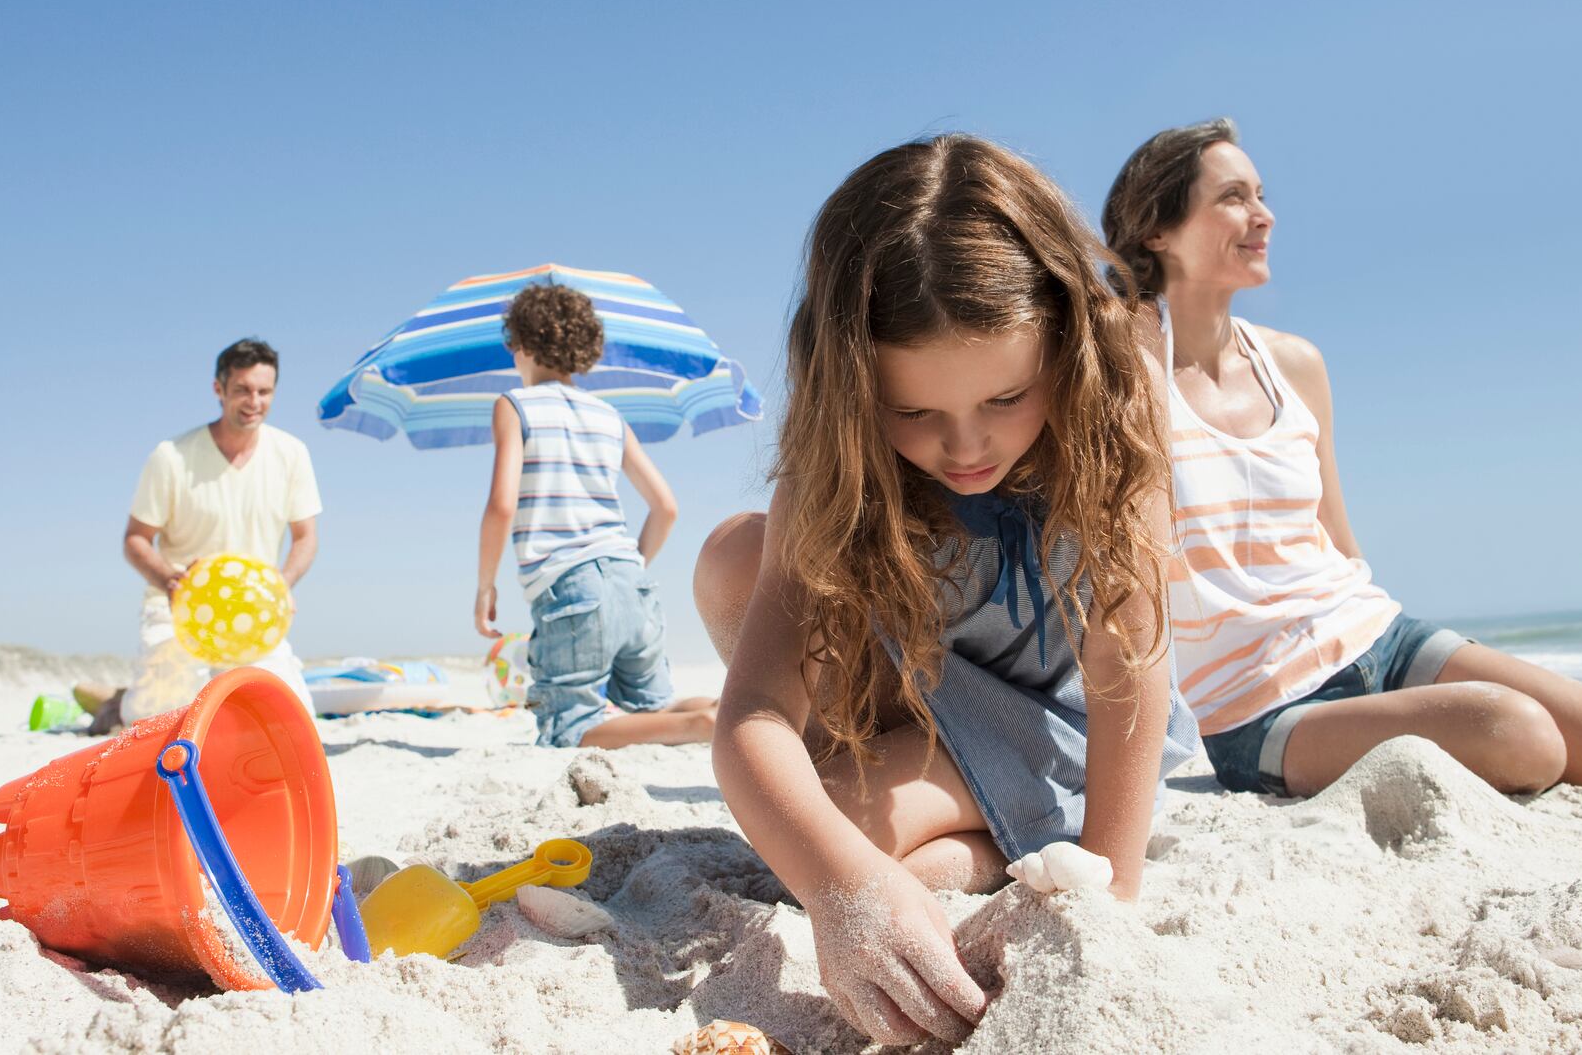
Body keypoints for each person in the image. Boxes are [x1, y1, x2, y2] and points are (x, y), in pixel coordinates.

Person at [694, 135, 1199, 1048]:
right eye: (915, 412)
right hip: (927, 694)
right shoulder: (834, 453)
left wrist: (1109, 881)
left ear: (1063, 342)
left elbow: (1127, 657)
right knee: (737, 557)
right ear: (852, 386)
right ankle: (975, 836)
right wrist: (842, 891)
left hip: (1065, 716)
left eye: (1006, 398)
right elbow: (754, 713)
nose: (966, 448)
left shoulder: (1117, 397)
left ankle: (993, 831)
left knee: (828, 820)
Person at [1100, 119, 1582, 798]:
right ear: (1156, 231)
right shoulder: (1121, 365)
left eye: (1261, 194)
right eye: (1233, 197)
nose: (1263, 216)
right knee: (1518, 736)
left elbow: (1337, 539)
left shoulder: (1294, 363)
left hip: (1381, 640)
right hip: (1260, 708)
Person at [476, 283, 717, 748]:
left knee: (569, 728)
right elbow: (665, 506)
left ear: (523, 346)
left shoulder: (514, 405)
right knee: (654, 706)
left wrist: (486, 585)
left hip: (570, 586)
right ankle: (718, 712)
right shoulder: (609, 415)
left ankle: (699, 726)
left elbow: (502, 505)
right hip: (631, 579)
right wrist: (632, 568)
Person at [118, 338, 321, 723]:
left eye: (264, 391)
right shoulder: (171, 456)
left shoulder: (291, 453)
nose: (254, 402)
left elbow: (306, 537)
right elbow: (135, 539)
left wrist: (282, 584)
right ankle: (120, 703)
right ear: (219, 389)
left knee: (291, 720)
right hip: (177, 611)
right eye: (242, 390)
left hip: (255, 613)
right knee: (156, 723)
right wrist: (170, 581)